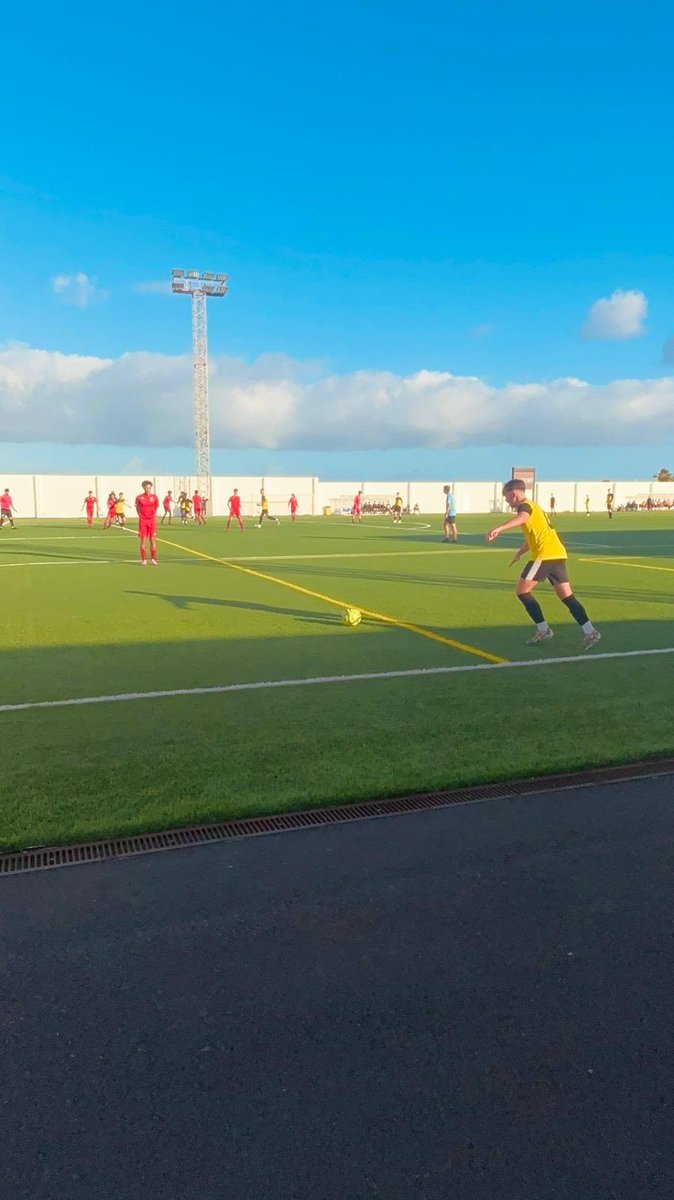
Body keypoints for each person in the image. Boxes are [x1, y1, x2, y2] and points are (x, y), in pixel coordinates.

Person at [486, 478, 601, 649]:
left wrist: (499, 528)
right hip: (557, 554)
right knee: (566, 596)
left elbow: (522, 517)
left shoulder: (525, 507)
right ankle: (590, 632)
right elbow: (534, 537)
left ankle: (543, 629)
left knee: (522, 591)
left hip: (545, 556)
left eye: (506, 497)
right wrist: (519, 553)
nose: (506, 501)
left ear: (514, 494)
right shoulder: (534, 507)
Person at [135, 480, 159, 566]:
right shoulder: (139, 498)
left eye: (149, 488)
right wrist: (142, 516)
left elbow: (156, 507)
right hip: (143, 521)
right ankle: (144, 559)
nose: (148, 489)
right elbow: (137, 508)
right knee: (143, 541)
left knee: (152, 540)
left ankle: (153, 559)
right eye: (146, 488)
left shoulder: (155, 497)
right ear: (143, 488)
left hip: (152, 521)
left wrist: (151, 515)